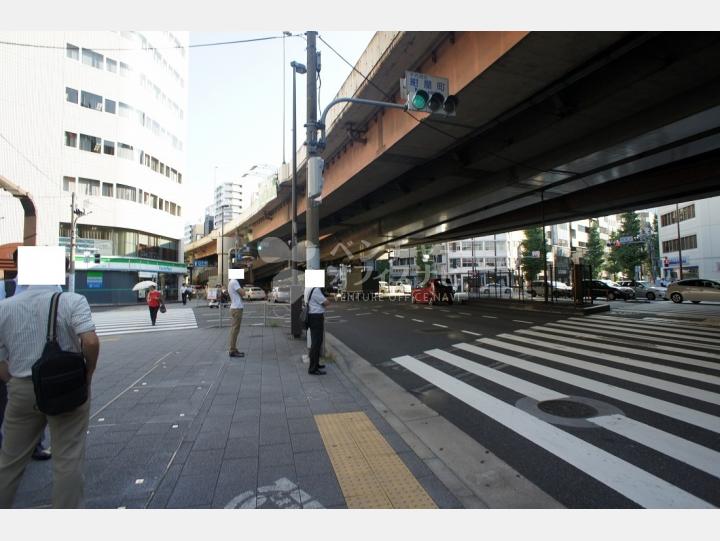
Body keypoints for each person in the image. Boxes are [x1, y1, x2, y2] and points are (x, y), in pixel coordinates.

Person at [0, 262, 100, 508]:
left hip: (22, 388)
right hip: (67, 386)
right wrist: (89, 371)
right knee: (68, 460)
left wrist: (11, 381)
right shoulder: (73, 301)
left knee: (9, 463)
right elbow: (90, 340)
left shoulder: (4, 307)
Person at [0, 249, 52, 461]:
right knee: (4, 403)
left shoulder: (51, 287)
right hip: (8, 356)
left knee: (37, 400)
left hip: (36, 354)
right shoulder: (6, 287)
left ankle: (35, 445)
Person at [306, 286, 329, 375]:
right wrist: (326, 299)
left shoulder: (309, 288)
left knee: (317, 342)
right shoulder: (315, 290)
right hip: (316, 318)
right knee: (316, 343)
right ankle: (313, 369)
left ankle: (316, 364)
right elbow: (326, 302)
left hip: (313, 317)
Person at [227, 273, 245, 358]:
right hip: (237, 308)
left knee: (234, 329)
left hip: (235, 307)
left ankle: (233, 348)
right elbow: (243, 293)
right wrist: (242, 288)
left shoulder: (232, 282)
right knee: (235, 330)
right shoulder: (234, 282)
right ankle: (232, 350)